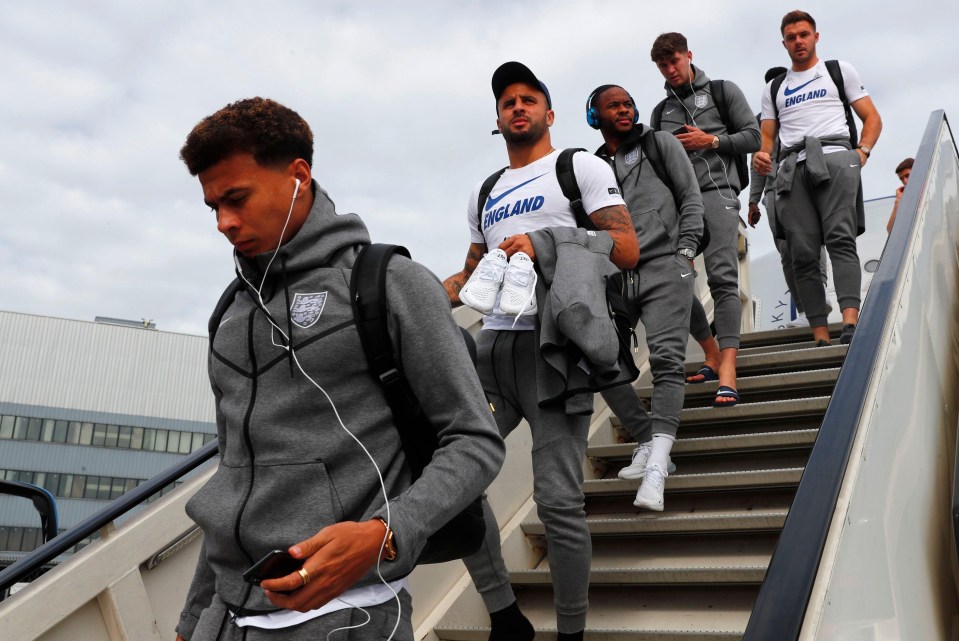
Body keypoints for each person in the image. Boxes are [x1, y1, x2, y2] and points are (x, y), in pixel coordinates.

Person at [173, 97, 505, 641]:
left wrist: (385, 533)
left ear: (298, 176)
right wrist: (191, 622)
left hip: (347, 616)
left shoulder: (391, 283)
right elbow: (235, 475)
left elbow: (474, 438)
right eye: (212, 207)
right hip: (224, 621)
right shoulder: (229, 317)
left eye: (236, 199)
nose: (224, 223)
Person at [443, 62, 638, 641]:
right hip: (491, 349)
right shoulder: (486, 190)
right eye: (507, 102)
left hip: (553, 351)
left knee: (557, 503)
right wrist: (410, 293)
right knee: (450, 481)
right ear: (498, 119)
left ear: (549, 114)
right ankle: (506, 616)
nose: (517, 107)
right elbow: (471, 274)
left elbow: (625, 247)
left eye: (529, 99)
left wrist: (547, 241)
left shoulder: (578, 167)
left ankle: (571, 633)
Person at [587, 84, 703, 510]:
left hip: (665, 264)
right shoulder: (590, 165)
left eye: (628, 103)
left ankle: (657, 464)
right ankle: (645, 441)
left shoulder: (660, 143)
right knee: (601, 361)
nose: (624, 109)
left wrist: (686, 250)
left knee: (667, 359)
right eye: (613, 105)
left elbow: (690, 197)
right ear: (594, 116)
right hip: (617, 276)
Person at [754, 10, 882, 346]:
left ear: (816, 36)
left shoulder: (839, 71)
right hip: (792, 168)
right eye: (792, 37)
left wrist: (861, 153)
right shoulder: (774, 88)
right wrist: (762, 155)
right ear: (784, 43)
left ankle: (850, 322)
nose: (798, 41)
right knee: (803, 253)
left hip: (835, 157)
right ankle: (820, 332)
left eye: (804, 34)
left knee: (840, 240)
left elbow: (871, 117)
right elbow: (768, 138)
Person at [649, 32, 761, 407]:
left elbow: (754, 138)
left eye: (674, 61)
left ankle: (728, 369)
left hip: (718, 194)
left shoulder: (721, 91)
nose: (670, 70)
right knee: (678, 283)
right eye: (663, 66)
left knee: (723, 279)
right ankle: (711, 354)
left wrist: (710, 141)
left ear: (688, 56)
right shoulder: (659, 112)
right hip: (678, 205)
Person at [747, 66, 828, 329]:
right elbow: (757, 164)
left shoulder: (805, 109)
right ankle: (804, 309)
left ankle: (820, 294)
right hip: (773, 192)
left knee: (813, 240)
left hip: (803, 183)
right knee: (786, 252)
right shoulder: (761, 124)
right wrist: (753, 200)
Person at [886, 157, 914, 233]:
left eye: (908, 176)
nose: (905, 181)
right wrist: (898, 202)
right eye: (901, 179)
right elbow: (890, 230)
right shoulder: (905, 201)